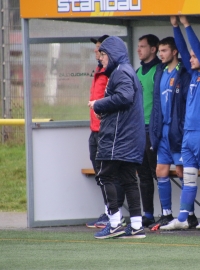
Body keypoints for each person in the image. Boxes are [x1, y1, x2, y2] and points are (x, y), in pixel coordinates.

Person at [160, 15, 200, 230]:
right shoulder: (193, 74)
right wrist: (175, 27)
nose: (190, 59)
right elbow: (184, 51)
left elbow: (192, 48)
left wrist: (187, 25)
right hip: (188, 132)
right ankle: (183, 218)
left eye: (195, 56)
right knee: (188, 176)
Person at [88, 36, 146, 239]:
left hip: (117, 137)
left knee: (105, 176)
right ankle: (137, 226)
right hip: (130, 136)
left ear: (111, 54)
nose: (100, 59)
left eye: (102, 54)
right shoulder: (126, 70)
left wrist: (98, 104)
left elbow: (125, 97)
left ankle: (114, 223)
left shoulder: (121, 72)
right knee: (129, 180)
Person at [148, 37, 194, 230]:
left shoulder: (183, 72)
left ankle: (189, 215)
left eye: (164, 50)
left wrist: (183, 127)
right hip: (163, 130)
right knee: (161, 171)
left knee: (182, 171)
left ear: (175, 52)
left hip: (178, 131)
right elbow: (157, 103)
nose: (161, 54)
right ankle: (166, 213)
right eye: (159, 50)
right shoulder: (160, 71)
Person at [86, 34, 128, 229]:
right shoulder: (98, 69)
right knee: (101, 174)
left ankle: (115, 214)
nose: (97, 53)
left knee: (111, 174)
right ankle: (108, 211)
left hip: (108, 130)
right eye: (96, 49)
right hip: (95, 130)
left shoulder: (113, 71)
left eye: (100, 49)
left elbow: (118, 98)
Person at [135, 34, 161, 227]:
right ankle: (148, 214)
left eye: (143, 46)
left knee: (157, 172)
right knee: (143, 175)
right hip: (138, 130)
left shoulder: (159, 70)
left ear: (153, 49)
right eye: (138, 46)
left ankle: (166, 212)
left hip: (152, 130)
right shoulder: (137, 72)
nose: (139, 50)